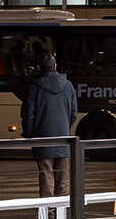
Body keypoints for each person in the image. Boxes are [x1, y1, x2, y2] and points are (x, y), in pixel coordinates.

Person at [20, 54, 78, 204]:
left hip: (42, 139)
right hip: (63, 139)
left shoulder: (34, 87)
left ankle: (48, 216)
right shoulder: (68, 86)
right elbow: (73, 114)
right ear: (55, 66)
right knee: (63, 178)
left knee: (46, 176)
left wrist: (29, 135)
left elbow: (28, 115)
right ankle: (61, 215)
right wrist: (64, 128)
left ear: (38, 68)